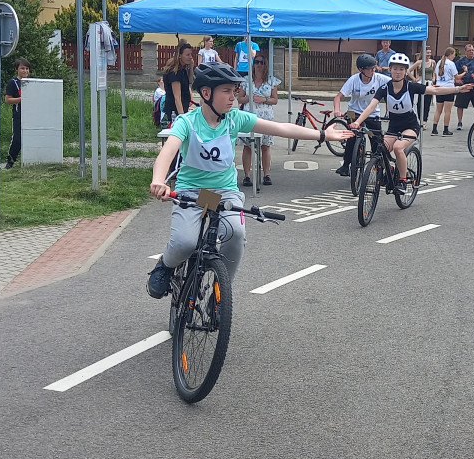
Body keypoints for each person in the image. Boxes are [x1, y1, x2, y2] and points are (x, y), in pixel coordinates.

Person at [145, 62, 351, 298]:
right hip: (192, 191)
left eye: (235, 91)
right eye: (227, 91)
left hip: (224, 192)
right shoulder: (188, 123)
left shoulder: (235, 118)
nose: (234, 97)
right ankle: (165, 266)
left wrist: (324, 134)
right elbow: (167, 152)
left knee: (236, 234)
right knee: (184, 243)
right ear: (206, 93)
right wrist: (159, 180)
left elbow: (280, 128)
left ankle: (221, 291)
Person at [349, 53, 459, 195]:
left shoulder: (411, 86)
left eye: (401, 69)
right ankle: (392, 170)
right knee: (379, 150)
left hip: (410, 126)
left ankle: (403, 180)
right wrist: (357, 122)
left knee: (398, 147)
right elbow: (371, 107)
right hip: (393, 128)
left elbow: (435, 90)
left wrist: (457, 89)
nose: (398, 72)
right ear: (390, 69)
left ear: (406, 71)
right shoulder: (384, 88)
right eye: (395, 68)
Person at [333, 54, 390, 176]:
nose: (373, 70)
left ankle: (381, 169)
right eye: (370, 68)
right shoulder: (353, 80)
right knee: (351, 138)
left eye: (374, 68)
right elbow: (338, 97)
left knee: (376, 141)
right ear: (361, 70)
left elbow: (395, 85)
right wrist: (337, 110)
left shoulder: (379, 78)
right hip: (354, 112)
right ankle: (345, 165)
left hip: (372, 114)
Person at [235, 56, 279, 186]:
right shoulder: (246, 80)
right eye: (256, 62)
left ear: (265, 65)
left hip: (266, 116)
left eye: (261, 62)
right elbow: (240, 99)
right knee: (248, 146)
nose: (259, 65)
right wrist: (250, 98)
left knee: (265, 146)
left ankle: (266, 174)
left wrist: (264, 99)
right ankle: (247, 175)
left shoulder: (271, 81)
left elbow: (275, 100)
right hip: (250, 116)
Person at [3, 58, 30, 169]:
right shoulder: (13, 83)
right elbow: (7, 100)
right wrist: (21, 99)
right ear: (17, 69)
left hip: (31, 115)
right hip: (19, 115)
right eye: (22, 68)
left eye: (27, 69)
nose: (25, 71)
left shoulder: (31, 82)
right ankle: (10, 161)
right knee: (17, 139)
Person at [453, 43, 474, 130]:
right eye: (469, 51)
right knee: (460, 105)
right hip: (464, 85)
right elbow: (453, 71)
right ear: (465, 52)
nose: (471, 52)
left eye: (472, 50)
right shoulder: (460, 61)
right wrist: (457, 80)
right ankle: (459, 122)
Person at [162, 40, 195, 124]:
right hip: (174, 111)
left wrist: (191, 67)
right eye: (187, 55)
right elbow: (177, 97)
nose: (190, 57)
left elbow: (190, 82)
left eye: (191, 54)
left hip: (183, 107)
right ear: (180, 56)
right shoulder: (175, 73)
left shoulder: (183, 70)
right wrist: (182, 118)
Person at [429, 47, 459, 136]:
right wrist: (465, 72)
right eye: (453, 54)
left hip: (439, 87)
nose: (454, 56)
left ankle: (434, 128)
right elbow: (457, 77)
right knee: (447, 111)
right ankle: (445, 129)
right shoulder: (451, 64)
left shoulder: (439, 62)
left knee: (438, 110)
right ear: (450, 54)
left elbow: (435, 74)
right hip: (449, 88)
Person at [408, 47, 437, 124]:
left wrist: (433, 77)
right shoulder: (419, 62)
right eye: (427, 53)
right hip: (421, 83)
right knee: (420, 102)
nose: (429, 54)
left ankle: (425, 120)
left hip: (429, 83)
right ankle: (420, 119)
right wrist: (414, 79)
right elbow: (408, 71)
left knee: (427, 102)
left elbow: (434, 72)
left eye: (430, 53)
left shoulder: (433, 62)